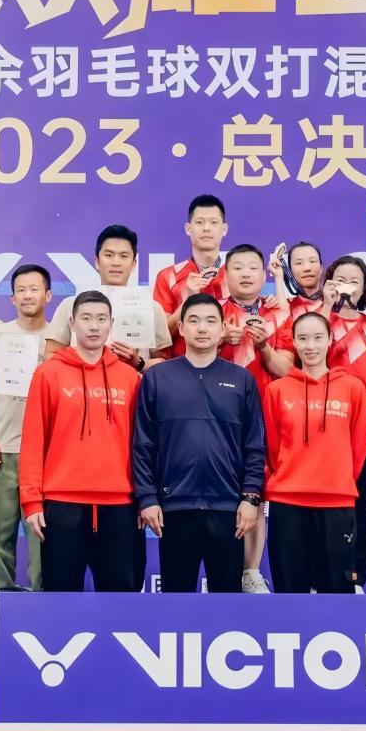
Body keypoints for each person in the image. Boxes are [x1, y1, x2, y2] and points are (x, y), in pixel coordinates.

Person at [133, 294, 265, 593]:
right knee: (175, 602)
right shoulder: (158, 378)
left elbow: (254, 445)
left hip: (228, 508)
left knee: (227, 603)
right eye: (193, 321)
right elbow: (143, 445)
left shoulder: (242, 379)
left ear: (222, 329)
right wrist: (147, 498)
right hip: (174, 508)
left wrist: (250, 498)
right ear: (181, 328)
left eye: (210, 321)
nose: (202, 328)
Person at [20, 291, 143, 592]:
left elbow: (142, 446)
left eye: (101, 319)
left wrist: (145, 498)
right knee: (60, 598)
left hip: (120, 505)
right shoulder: (48, 374)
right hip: (62, 504)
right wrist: (32, 501)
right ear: (72, 323)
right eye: (86, 318)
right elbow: (34, 440)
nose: (94, 326)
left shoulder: (130, 378)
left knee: (122, 599)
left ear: (111, 324)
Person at [262, 312, 366, 593]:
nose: (310, 346)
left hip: (337, 504)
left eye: (318, 337)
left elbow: (359, 446)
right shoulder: (276, 390)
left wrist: (338, 480)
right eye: (303, 338)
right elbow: (272, 447)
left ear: (330, 339)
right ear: (294, 343)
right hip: (287, 503)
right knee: (290, 595)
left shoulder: (352, 388)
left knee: (337, 596)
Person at [218, 243, 294, 592]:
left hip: (265, 416)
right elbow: (187, 356)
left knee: (256, 496)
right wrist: (220, 340)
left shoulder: (279, 314)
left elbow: (286, 369)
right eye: (238, 267)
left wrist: (264, 345)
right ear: (226, 274)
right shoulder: (212, 312)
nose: (246, 274)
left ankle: (250, 571)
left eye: (252, 267)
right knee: (219, 494)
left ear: (264, 274)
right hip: (216, 417)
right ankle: (220, 570)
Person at [0, 264, 51, 591]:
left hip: (46, 455)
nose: (28, 295)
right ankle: (0, 597)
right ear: (12, 298)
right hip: (1, 450)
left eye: (34, 289)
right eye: (21, 290)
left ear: (48, 295)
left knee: (43, 536)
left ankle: (43, 599)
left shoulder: (59, 340)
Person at [322, 255, 366, 590]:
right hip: (328, 416)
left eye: (354, 280)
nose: (347, 286)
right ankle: (323, 576)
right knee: (326, 502)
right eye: (340, 279)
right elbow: (311, 357)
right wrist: (326, 305)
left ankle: (356, 577)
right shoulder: (320, 322)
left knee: (362, 504)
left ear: (365, 288)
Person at [44, 224, 172, 371]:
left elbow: (164, 365)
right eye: (109, 255)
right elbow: (50, 356)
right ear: (97, 262)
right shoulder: (70, 304)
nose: (116, 263)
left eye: (124, 256)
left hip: (133, 385)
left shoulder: (152, 308)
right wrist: (82, 358)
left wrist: (138, 362)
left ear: (134, 263)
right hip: (80, 384)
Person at [153, 194, 229, 354]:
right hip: (180, 366)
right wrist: (187, 300)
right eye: (199, 222)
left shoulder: (236, 276)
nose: (206, 228)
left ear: (224, 229)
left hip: (229, 365)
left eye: (213, 222)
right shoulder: (168, 276)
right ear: (188, 228)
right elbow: (159, 339)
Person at [271, 241, 325, 321]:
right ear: (290, 271)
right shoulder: (286, 305)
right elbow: (282, 322)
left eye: (312, 261)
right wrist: (278, 277)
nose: (307, 268)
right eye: (299, 263)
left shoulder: (335, 303)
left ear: (321, 268)